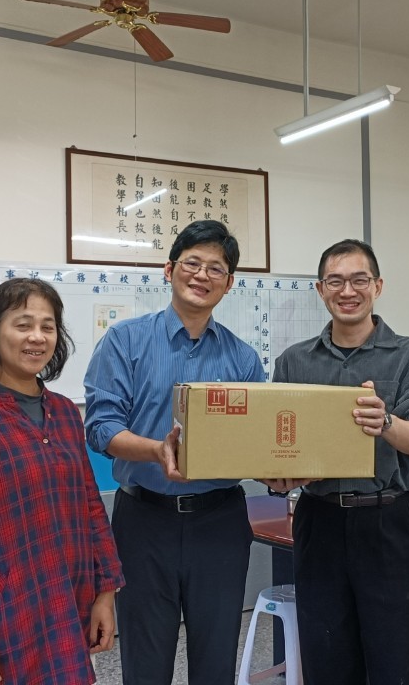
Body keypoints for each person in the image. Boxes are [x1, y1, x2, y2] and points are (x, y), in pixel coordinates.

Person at [83, 220, 264, 685]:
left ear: (229, 283)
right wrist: (156, 451)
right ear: (169, 270)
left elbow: (254, 440)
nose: (202, 275)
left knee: (216, 656)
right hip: (144, 521)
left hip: (219, 521)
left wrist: (279, 469)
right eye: (192, 263)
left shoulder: (244, 359)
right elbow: (101, 428)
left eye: (216, 269)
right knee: (145, 659)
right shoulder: (124, 341)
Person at [0, 278, 122, 685]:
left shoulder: (64, 413)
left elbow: (89, 505)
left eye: (48, 326)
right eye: (23, 324)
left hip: (68, 599)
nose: (37, 337)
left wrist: (105, 592)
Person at [264, 238, 409, 685]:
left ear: (377, 286)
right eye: (335, 281)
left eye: (359, 280)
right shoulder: (294, 361)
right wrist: (277, 477)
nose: (348, 291)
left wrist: (386, 422)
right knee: (326, 652)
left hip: (387, 521)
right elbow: (276, 446)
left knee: (396, 654)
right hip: (318, 519)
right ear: (320, 289)